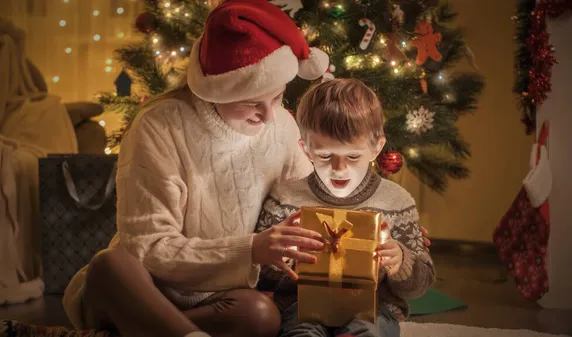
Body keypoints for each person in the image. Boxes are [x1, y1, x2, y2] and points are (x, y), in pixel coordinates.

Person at [61, 1, 332, 337]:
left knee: (260, 315)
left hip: (212, 298)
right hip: (142, 288)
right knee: (110, 265)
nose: (269, 116)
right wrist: (250, 249)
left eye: (277, 98)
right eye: (252, 103)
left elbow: (314, 202)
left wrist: (376, 228)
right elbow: (147, 246)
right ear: (216, 89)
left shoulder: (282, 130)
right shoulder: (160, 126)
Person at [254, 78, 436, 337]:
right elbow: (260, 274)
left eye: (353, 156)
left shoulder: (396, 201)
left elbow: (421, 282)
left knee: (369, 330)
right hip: (300, 305)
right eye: (326, 156)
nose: (339, 169)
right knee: (301, 331)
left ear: (376, 148)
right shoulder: (286, 197)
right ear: (306, 150)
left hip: (374, 309)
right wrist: (281, 258)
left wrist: (401, 261)